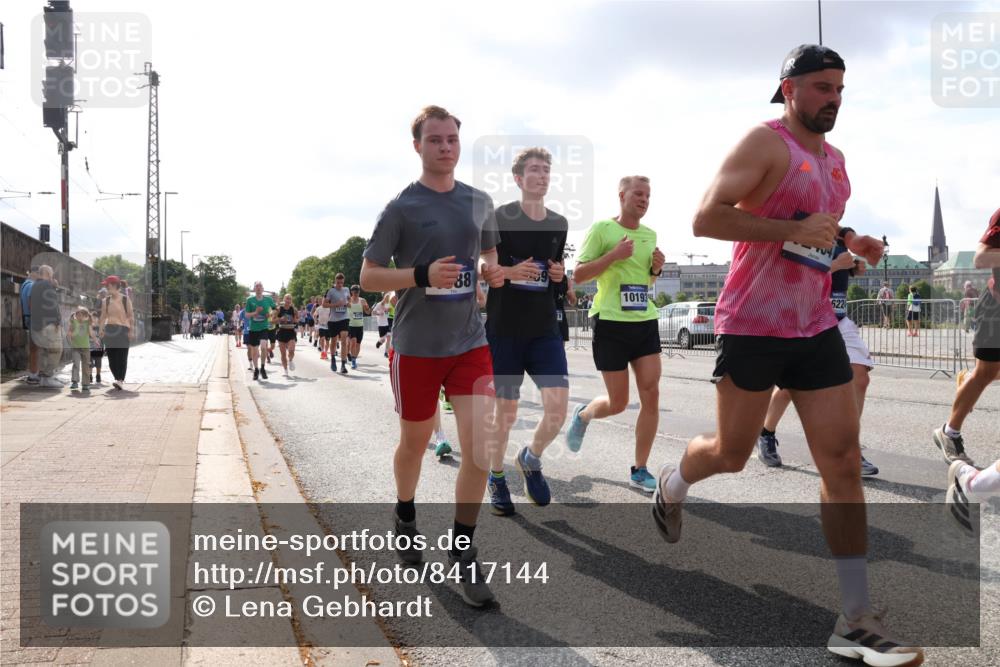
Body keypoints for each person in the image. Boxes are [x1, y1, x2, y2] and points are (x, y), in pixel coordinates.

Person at [651, 45, 923, 665]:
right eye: (823, 87)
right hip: (752, 324)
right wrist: (791, 232)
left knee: (843, 462)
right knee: (731, 453)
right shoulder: (764, 143)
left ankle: (856, 617)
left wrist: (854, 240)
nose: (834, 99)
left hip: (816, 323)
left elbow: (822, 221)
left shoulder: (837, 160)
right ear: (789, 88)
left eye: (840, 89)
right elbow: (705, 218)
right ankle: (673, 481)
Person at [360, 104, 504, 607]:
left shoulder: (479, 202)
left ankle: (463, 551)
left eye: (452, 140)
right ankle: (404, 511)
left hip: (470, 342)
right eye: (435, 139)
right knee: (415, 445)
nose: (446, 147)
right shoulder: (401, 208)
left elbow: (487, 259)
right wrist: (420, 276)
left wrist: (493, 274)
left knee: (481, 450)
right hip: (417, 347)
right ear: (417, 146)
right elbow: (370, 276)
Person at [565, 175, 665, 493]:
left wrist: (655, 271)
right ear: (622, 195)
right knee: (619, 402)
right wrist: (613, 256)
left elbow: (645, 283)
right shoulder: (602, 230)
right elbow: (578, 274)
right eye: (638, 194)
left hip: (644, 320)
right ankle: (584, 415)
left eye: (648, 195)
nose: (644, 200)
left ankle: (640, 468)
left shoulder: (650, 235)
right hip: (610, 322)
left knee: (651, 394)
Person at [484, 147, 569, 516]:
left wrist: (559, 275)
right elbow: (483, 267)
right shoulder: (498, 218)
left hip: (544, 329)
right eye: (534, 170)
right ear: (518, 178)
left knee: (558, 408)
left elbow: (557, 268)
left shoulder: (559, 223)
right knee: (506, 412)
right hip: (505, 329)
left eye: (546, 170)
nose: (542, 175)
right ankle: (497, 476)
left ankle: (531, 458)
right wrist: (507, 272)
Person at [756, 228, 880, 477]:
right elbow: (790, 277)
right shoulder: (801, 227)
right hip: (807, 316)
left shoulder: (841, 232)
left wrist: (853, 267)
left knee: (860, 378)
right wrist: (834, 266)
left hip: (839, 319)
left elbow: (847, 247)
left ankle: (849, 449)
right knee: (792, 387)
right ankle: (766, 433)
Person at [933, 207, 1000, 466]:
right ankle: (949, 432)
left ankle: (969, 381)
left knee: (984, 374)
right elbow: (981, 259)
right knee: (985, 373)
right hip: (996, 307)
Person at [98, 275, 136, 391]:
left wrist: (131, 330)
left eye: (107, 285)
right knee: (111, 358)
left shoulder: (125, 299)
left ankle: (120, 380)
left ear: (113, 285)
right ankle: (117, 378)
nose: (106, 287)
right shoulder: (106, 300)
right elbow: (103, 316)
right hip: (110, 330)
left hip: (123, 329)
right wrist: (100, 328)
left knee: (122, 357)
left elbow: (131, 316)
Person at [245, 282, 276, 381]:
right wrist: (256, 312)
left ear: (263, 289)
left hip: (263, 327)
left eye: (260, 287)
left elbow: (275, 310)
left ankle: (262, 368)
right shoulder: (250, 300)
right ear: (254, 289)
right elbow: (247, 315)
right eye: (256, 287)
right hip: (253, 328)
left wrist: (270, 314)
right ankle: (256, 370)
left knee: (263, 347)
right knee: (254, 351)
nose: (258, 288)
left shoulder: (268, 299)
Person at [326, 274, 352, 374]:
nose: (340, 284)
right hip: (333, 320)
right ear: (335, 281)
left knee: (344, 340)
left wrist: (347, 304)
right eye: (338, 282)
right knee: (333, 340)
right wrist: (336, 304)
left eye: (342, 282)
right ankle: (333, 359)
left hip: (344, 318)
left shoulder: (346, 290)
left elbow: (349, 302)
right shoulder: (331, 291)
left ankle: (343, 365)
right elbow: (324, 304)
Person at [20, 266, 40, 385]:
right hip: (33, 318)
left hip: (27, 317)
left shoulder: (25, 284)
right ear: (34, 273)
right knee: (35, 348)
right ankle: (33, 375)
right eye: (39, 274)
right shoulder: (32, 285)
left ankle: (33, 373)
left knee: (33, 348)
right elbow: (32, 303)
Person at [68, 306, 93, 391]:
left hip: (86, 348)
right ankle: (75, 382)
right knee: (76, 364)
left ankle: (85, 384)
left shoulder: (87, 323)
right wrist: (70, 335)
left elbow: (91, 332)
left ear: (86, 316)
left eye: (82, 315)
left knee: (86, 366)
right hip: (76, 348)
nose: (80, 317)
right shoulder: (73, 322)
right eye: (78, 315)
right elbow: (70, 331)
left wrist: (96, 340)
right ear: (76, 315)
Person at [347, 285, 371, 369]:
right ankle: (353, 360)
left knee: (358, 344)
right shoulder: (348, 300)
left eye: (357, 291)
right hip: (351, 325)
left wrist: (367, 308)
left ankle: (354, 358)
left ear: (359, 292)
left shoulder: (362, 300)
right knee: (353, 342)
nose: (356, 293)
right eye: (354, 291)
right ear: (351, 292)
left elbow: (368, 312)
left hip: (360, 325)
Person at [276, 294, 298, 376]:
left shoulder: (293, 310)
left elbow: (297, 319)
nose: (288, 300)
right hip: (281, 331)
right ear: (284, 299)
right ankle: (285, 370)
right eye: (287, 298)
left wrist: (295, 319)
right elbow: (272, 320)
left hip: (290, 332)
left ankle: (291, 360)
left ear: (291, 300)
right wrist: (280, 319)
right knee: (283, 354)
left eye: (290, 299)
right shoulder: (279, 309)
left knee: (291, 350)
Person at [89, 310, 105, 385]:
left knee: (98, 363)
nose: (94, 319)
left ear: (98, 319)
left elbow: (103, 338)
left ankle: (98, 375)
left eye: (95, 318)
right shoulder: (88, 327)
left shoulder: (100, 328)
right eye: (93, 318)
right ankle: (90, 376)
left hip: (98, 348)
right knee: (90, 363)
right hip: (89, 348)